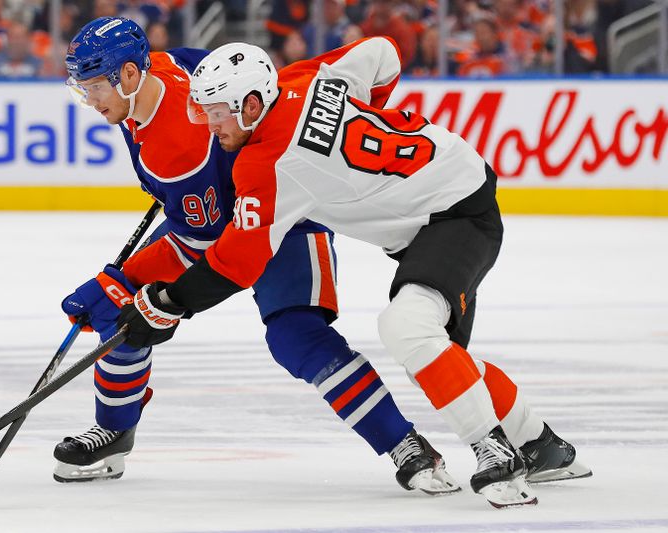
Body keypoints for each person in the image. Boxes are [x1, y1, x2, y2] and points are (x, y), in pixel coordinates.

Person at [114, 37, 593, 508]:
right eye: (202, 112)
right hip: (450, 189)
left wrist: (167, 303)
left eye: (217, 112)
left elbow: (236, 263)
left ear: (253, 104)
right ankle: (542, 445)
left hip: (453, 212)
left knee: (407, 328)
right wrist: (365, 115)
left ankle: (494, 452)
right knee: (440, 358)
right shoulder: (303, 79)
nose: (209, 125)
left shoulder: (268, 165)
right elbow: (384, 52)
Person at [56, 17, 460, 495]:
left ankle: (405, 444)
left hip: (283, 215)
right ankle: (114, 430)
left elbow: (204, 244)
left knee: (297, 336)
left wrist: (124, 278)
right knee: (121, 303)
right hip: (217, 211)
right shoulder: (163, 67)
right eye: (83, 88)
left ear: (128, 75)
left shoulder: (179, 153)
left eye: (96, 86)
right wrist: (122, 282)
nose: (91, 100)